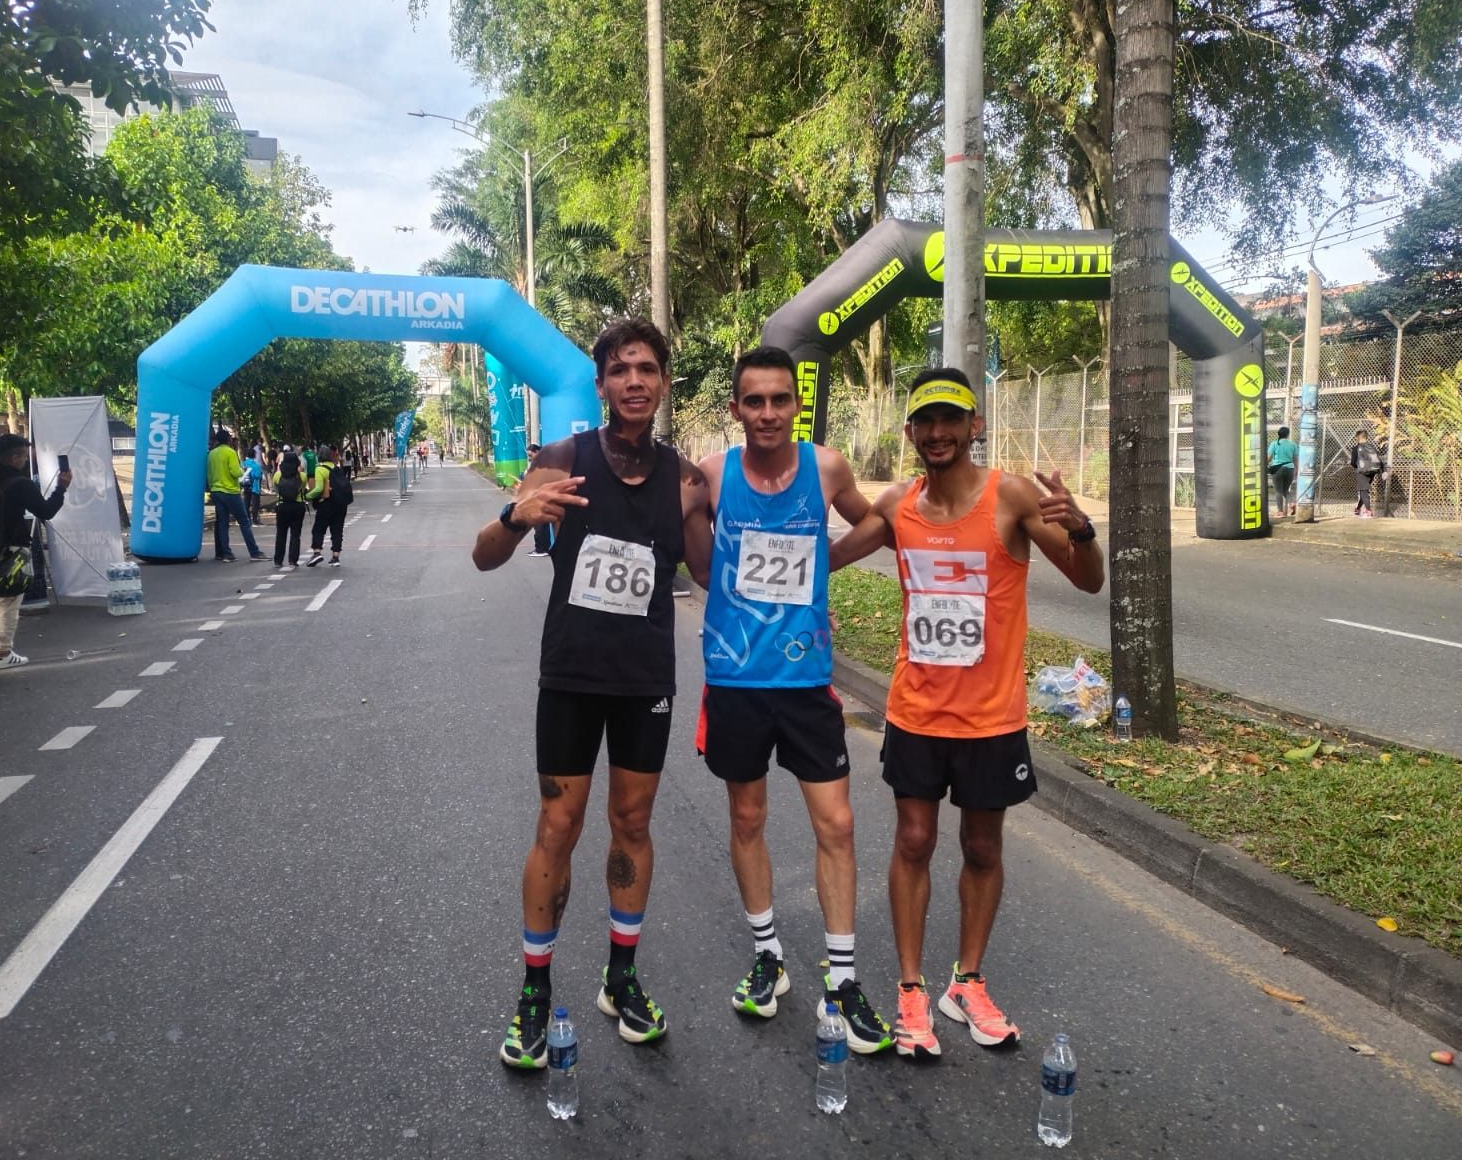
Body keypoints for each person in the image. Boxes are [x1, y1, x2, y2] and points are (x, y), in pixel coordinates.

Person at [829, 367, 1104, 1055]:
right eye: (926, 421)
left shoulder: (1008, 498)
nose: (939, 432)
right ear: (911, 433)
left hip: (992, 717)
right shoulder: (898, 506)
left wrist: (1085, 529)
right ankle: (912, 991)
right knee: (914, 841)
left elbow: (1087, 577)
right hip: (916, 711)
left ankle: (968, 981)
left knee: (982, 846)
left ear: (974, 426)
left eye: (952, 419)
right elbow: (826, 559)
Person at [471, 317, 712, 1068]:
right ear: (602, 383)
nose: (634, 381)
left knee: (632, 823)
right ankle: (535, 990)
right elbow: (484, 556)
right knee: (559, 823)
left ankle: (621, 978)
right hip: (572, 675)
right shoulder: (562, 458)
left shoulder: (684, 480)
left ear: (664, 382)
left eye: (647, 369)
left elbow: (708, 576)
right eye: (620, 370)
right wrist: (516, 517)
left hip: (645, 682)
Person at [693, 346, 895, 1053]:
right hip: (736, 678)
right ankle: (767, 956)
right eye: (756, 401)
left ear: (795, 406)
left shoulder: (828, 467)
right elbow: (685, 548)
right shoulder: (714, 476)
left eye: (782, 400)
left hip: (807, 680)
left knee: (835, 823)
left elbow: (877, 524)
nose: (770, 413)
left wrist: (824, 567)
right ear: (736, 410)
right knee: (747, 816)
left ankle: (842, 977)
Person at [0, 433, 71, 669]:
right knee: (6, 602)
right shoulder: (21, 483)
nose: (26, 461)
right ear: (15, 456)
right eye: (24, 456)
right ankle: (2, 653)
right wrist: (61, 488)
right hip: (7, 549)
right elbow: (46, 511)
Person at [207, 429, 266, 563]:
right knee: (244, 522)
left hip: (216, 490)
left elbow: (209, 474)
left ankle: (225, 553)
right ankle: (254, 552)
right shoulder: (230, 452)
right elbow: (235, 472)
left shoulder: (212, 454)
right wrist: (242, 471)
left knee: (222, 523)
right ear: (228, 440)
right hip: (230, 491)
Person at [304, 443, 351, 568]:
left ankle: (317, 552)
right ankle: (335, 557)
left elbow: (319, 489)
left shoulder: (320, 469)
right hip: (341, 504)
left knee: (319, 529)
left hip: (327, 504)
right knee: (337, 530)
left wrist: (307, 496)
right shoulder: (337, 467)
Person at [272, 450, 307, 569]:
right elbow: (302, 489)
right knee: (295, 534)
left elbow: (276, 490)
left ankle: (278, 560)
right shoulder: (302, 476)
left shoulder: (277, 476)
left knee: (281, 534)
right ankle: (293, 560)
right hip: (297, 506)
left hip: (282, 506)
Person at [522, 444, 552, 557]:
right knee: (542, 524)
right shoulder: (538, 464)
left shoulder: (544, 464)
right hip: (540, 497)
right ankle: (544, 548)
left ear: (538, 451)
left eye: (531, 455)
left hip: (542, 497)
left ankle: (541, 549)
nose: (530, 458)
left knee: (540, 524)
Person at [1348, 428, 1384, 518]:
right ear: (1366, 437)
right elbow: (1379, 460)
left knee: (1364, 491)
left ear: (1357, 438)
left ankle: (1368, 512)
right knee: (1364, 490)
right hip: (1373, 472)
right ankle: (1358, 509)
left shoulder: (1356, 448)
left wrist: (1358, 468)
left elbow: (1352, 462)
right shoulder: (1372, 447)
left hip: (1362, 472)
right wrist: (1383, 471)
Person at [1266, 426, 1298, 517]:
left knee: (1278, 491)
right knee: (1285, 490)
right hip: (1290, 469)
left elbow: (1268, 457)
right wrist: (1296, 469)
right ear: (1288, 434)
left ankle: (1280, 512)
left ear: (1279, 434)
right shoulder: (1293, 444)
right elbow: (1296, 459)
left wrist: (1264, 465)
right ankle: (1292, 503)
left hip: (1277, 469)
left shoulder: (1275, 443)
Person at [241, 448, 265, 525]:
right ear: (254, 455)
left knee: (246, 503)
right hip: (255, 487)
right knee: (255, 504)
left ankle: (247, 519)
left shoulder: (243, 464)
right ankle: (255, 520)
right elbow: (257, 476)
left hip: (245, 486)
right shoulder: (256, 465)